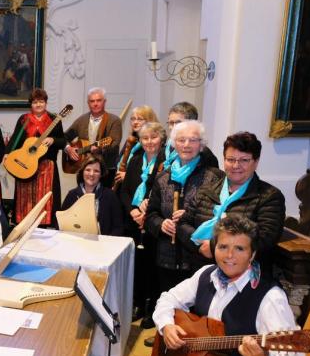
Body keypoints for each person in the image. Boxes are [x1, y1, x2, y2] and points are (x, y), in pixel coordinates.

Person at [129, 216, 306, 356]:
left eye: (239, 248)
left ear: (252, 254)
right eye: (223, 247)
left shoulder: (270, 297)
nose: (229, 255)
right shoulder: (206, 275)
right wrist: (167, 326)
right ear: (214, 248)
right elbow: (168, 298)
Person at [143, 121, 222, 329]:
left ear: (201, 145)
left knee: (196, 316)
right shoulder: (163, 177)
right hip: (166, 258)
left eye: (193, 140)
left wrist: (190, 218)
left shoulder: (214, 177)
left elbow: (218, 216)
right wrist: (161, 224)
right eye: (181, 140)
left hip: (197, 259)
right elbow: (150, 215)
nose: (186, 145)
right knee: (168, 311)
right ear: (174, 144)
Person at [181, 131, 286, 275]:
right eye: (230, 159)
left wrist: (213, 247)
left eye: (244, 160)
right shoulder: (206, 190)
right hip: (203, 271)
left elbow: (265, 238)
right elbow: (183, 223)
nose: (236, 165)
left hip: (245, 276)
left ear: (256, 162)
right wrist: (199, 247)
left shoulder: (269, 196)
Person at [118, 122, 167, 320]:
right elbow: (124, 191)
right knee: (136, 265)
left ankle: (152, 307)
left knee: (152, 266)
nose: (149, 142)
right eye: (145, 138)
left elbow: (163, 193)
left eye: (154, 137)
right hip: (133, 221)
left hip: (153, 221)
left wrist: (146, 213)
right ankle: (137, 303)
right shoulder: (136, 160)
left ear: (161, 139)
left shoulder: (166, 161)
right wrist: (133, 211)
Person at [9, 88, 66, 227]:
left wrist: (53, 140)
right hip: (25, 165)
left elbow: (63, 141)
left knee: (46, 198)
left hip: (47, 167)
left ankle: (44, 225)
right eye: (35, 102)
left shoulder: (54, 120)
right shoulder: (24, 119)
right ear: (31, 104)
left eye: (41, 101)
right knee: (25, 198)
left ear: (46, 103)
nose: (38, 104)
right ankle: (24, 224)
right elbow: (15, 139)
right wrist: (8, 153)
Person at [64, 87, 123, 188]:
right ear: (88, 103)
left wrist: (100, 150)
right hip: (83, 170)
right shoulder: (82, 120)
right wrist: (68, 149)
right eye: (92, 101)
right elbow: (65, 137)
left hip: (106, 171)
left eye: (99, 100)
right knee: (84, 196)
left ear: (104, 102)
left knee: (104, 197)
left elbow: (114, 144)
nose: (95, 104)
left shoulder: (114, 120)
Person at [60, 155, 124, 236]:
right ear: (82, 172)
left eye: (96, 171)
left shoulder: (110, 196)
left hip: (102, 242)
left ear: (101, 174)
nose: (91, 174)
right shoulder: (72, 195)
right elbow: (60, 222)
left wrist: (106, 241)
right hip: (75, 240)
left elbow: (118, 227)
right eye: (88, 170)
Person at [164, 102, 219, 170]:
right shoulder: (166, 149)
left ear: (192, 123)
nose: (174, 127)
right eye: (171, 123)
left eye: (179, 122)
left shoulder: (204, 154)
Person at [114, 105, 159, 186]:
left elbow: (150, 170)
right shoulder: (131, 140)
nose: (135, 122)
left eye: (139, 119)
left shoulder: (151, 143)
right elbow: (119, 160)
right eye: (133, 119)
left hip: (138, 185)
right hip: (122, 185)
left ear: (149, 120)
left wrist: (127, 176)